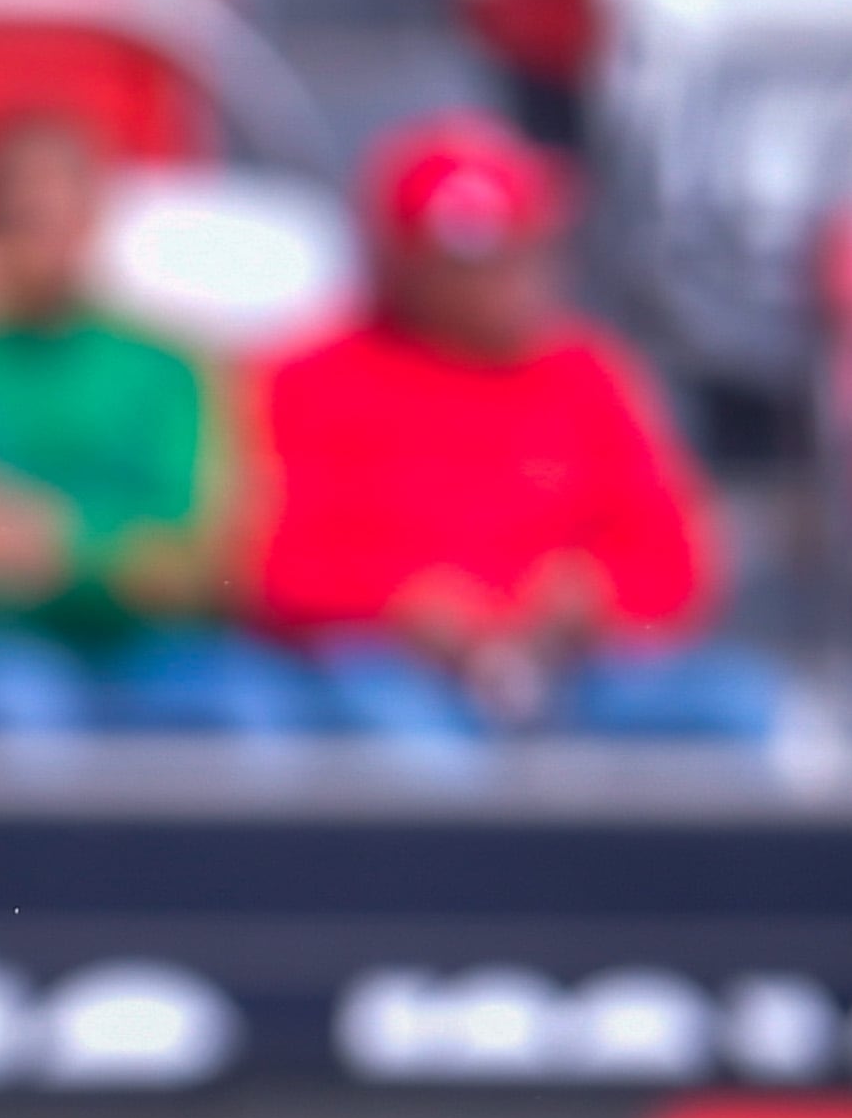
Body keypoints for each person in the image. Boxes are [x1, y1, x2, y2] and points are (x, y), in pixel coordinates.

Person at [253, 113, 782, 741]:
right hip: (387, 669)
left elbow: (676, 561)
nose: (520, 278)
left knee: (735, 709)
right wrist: (394, 609)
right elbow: (270, 564)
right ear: (402, 264)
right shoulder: (311, 377)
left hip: (571, 665)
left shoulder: (587, 374)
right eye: (488, 260)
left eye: (530, 249)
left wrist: (593, 599)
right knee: (400, 737)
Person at [0, 112, 290, 736]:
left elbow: (197, 552)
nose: (43, 243)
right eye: (19, 220)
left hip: (150, 645)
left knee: (242, 710)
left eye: (61, 216)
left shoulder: (165, 366)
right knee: (20, 709)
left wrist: (61, 547)